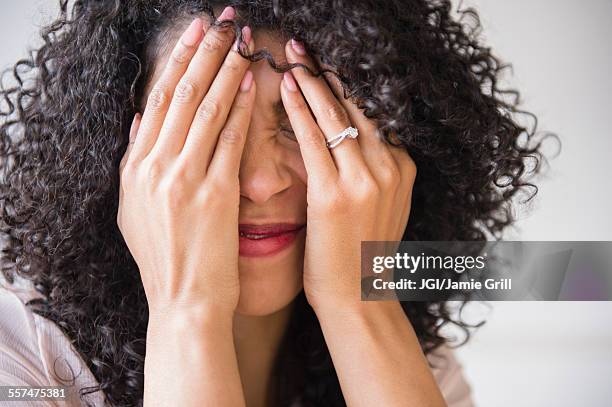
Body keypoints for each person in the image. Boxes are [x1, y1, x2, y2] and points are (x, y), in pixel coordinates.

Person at [0, 1, 545, 406]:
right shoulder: (19, 355)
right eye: (205, 129)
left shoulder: (411, 355)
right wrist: (187, 307)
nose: (260, 185)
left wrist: (361, 305)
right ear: (115, 148)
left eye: (306, 124)